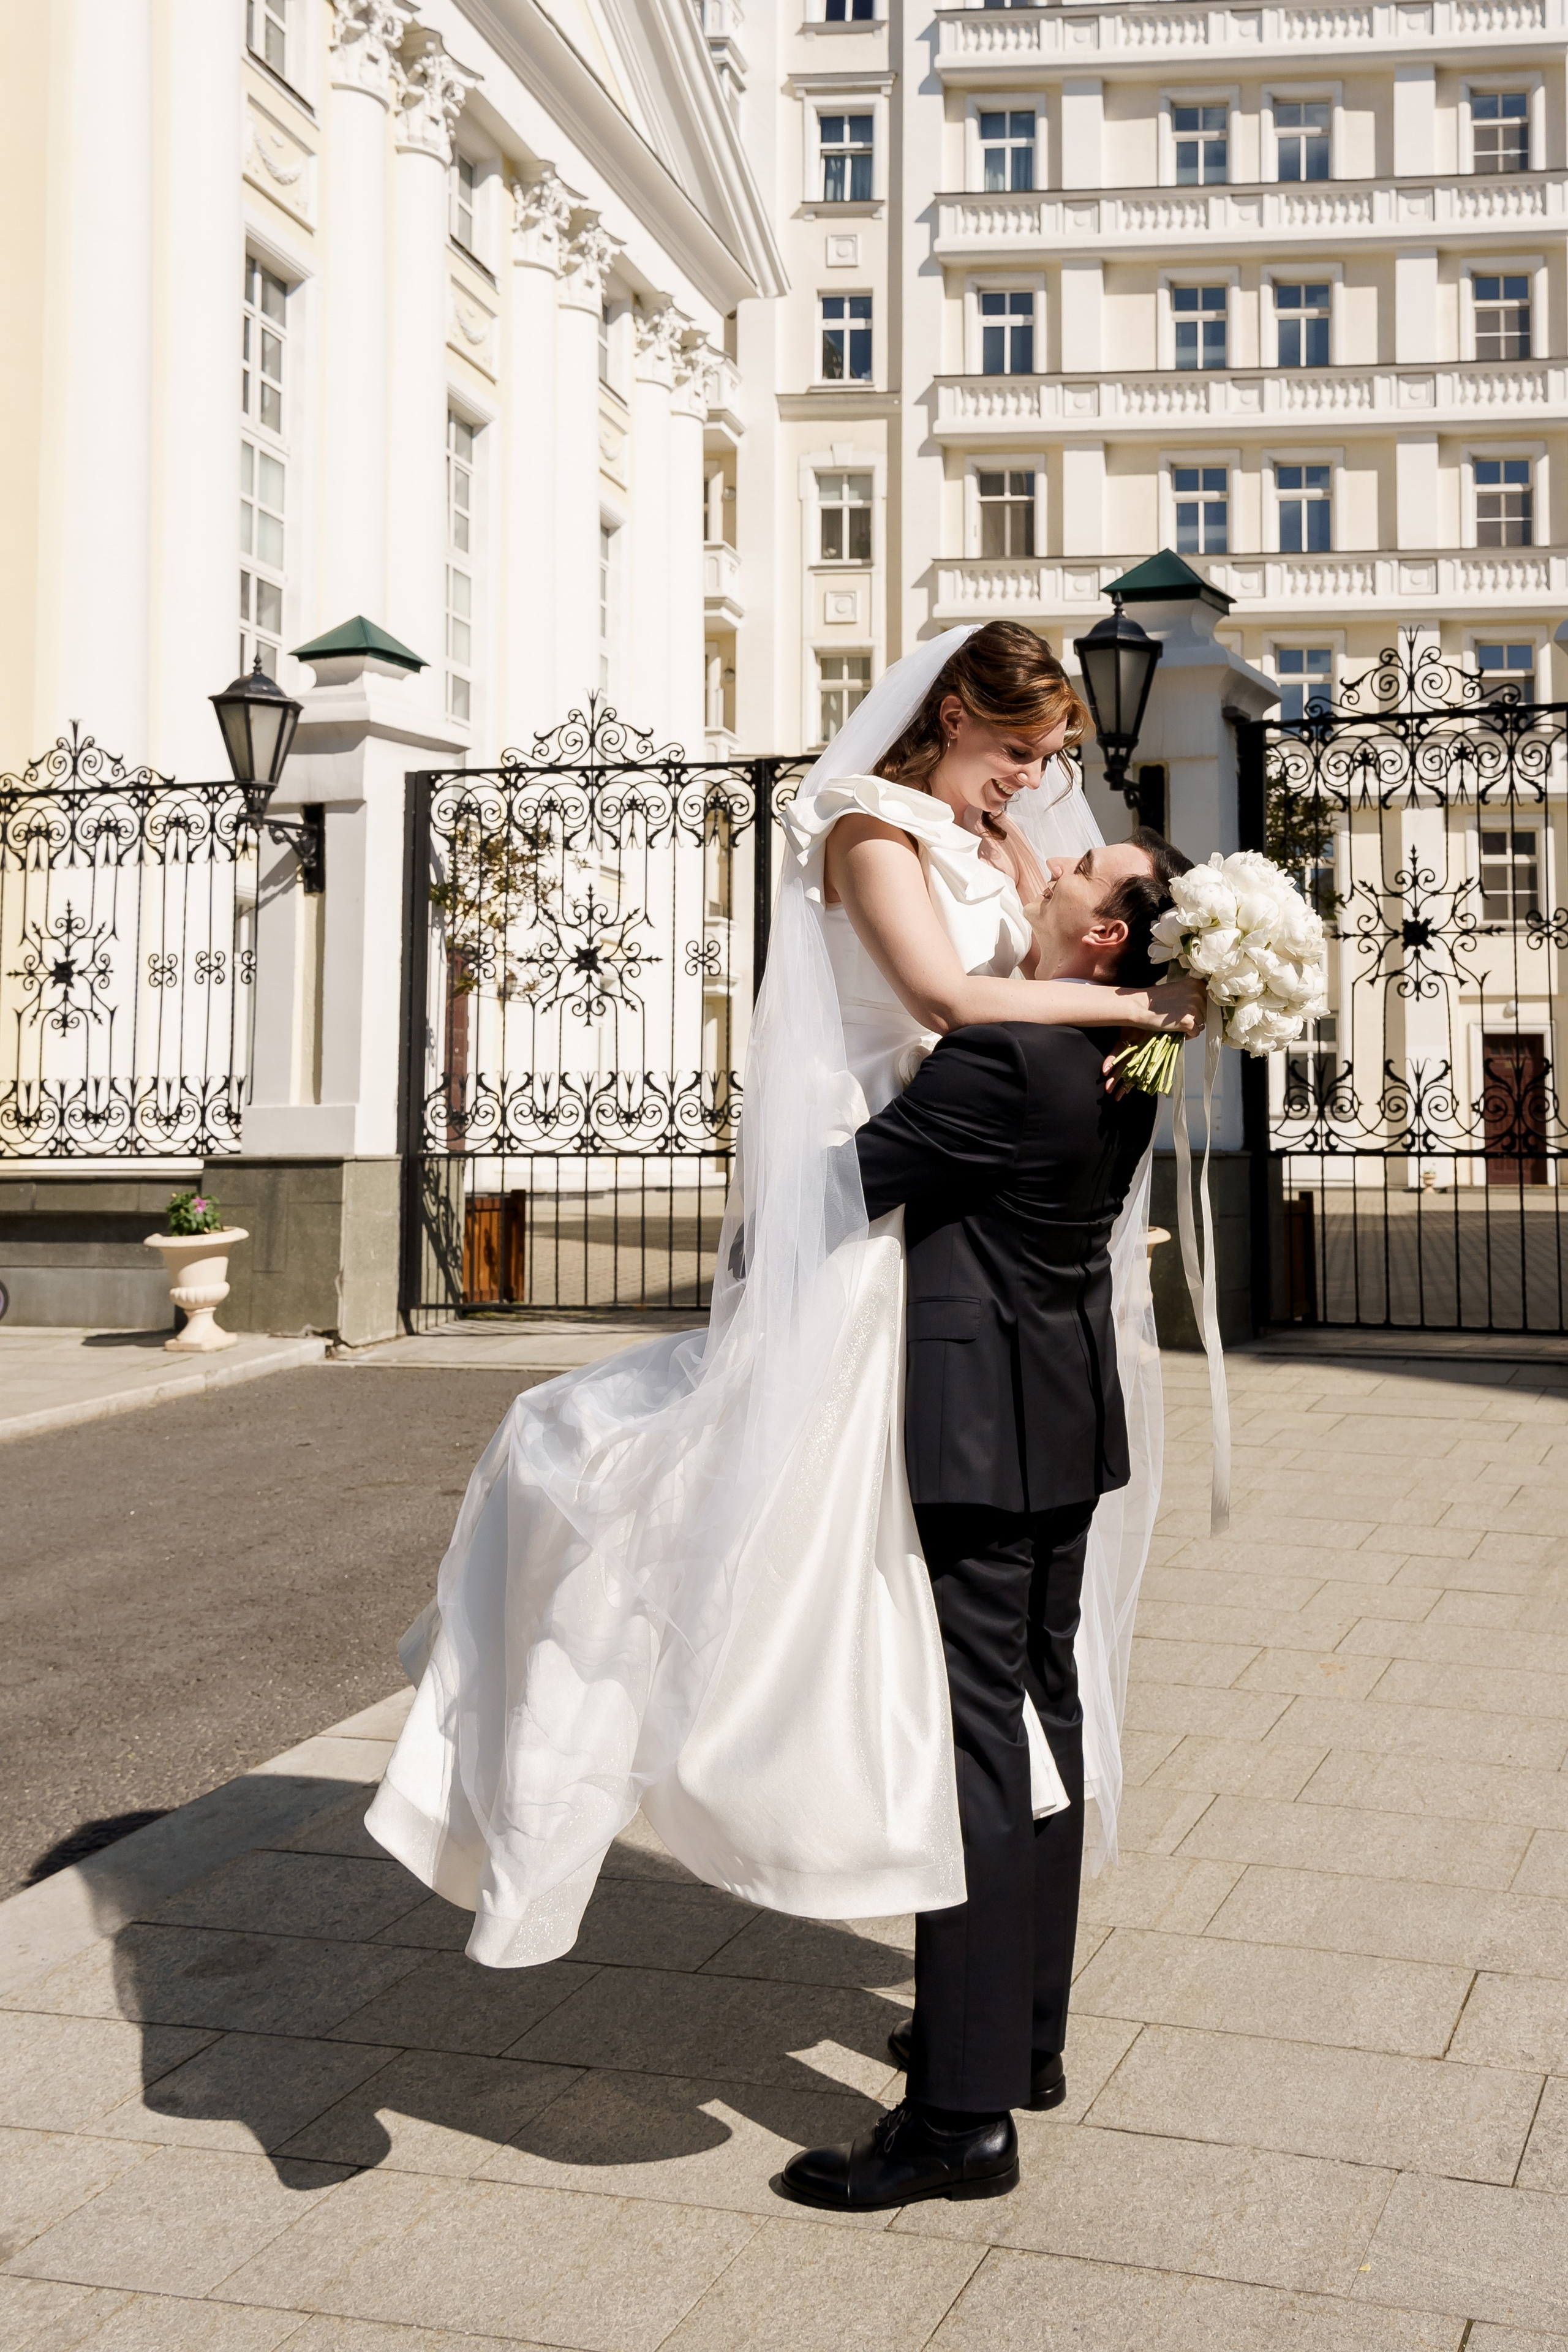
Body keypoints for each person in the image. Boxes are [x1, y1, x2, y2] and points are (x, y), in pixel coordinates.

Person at [366, 622, 1200, 1966]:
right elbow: (942, 992)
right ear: (944, 713)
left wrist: (1150, 992)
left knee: (905, 1599)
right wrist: (1133, 1012)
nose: (1031, 784)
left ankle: (930, 1892)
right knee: (661, 1488)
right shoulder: (869, 830)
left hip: (966, 1180)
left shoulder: (1013, 849)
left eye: (1047, 759)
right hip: (881, 1164)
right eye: (1012, 753)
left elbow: (1060, 950)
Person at [780, 856, 1185, 2214]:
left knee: (973, 1744)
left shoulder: (1006, 1056)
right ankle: (1021, 2036)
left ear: (1104, 929)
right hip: (1065, 1419)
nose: (1058, 864)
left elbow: (826, 1201)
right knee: (1041, 1716)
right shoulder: (1132, 1057)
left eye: (1085, 870)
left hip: (975, 1436)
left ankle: (956, 2117)